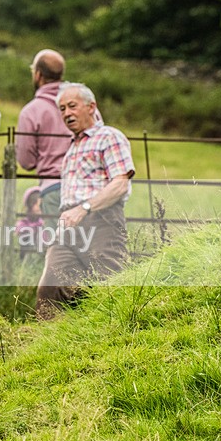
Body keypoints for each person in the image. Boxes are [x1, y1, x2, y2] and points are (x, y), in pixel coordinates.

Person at [36, 82, 135, 320]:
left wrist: (85, 208)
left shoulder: (109, 137)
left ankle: (119, 335)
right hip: (69, 223)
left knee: (109, 285)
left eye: (72, 106)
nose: (67, 113)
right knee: (51, 287)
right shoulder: (73, 146)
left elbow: (120, 183)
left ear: (91, 107)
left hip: (101, 219)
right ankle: (48, 344)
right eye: (62, 109)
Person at [16, 49, 102, 219]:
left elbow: (26, 162)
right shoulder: (86, 106)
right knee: (90, 242)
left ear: (38, 75)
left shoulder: (31, 111)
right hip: (91, 187)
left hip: (54, 188)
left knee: (59, 243)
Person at [15, 186, 45, 260]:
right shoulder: (24, 221)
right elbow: (19, 229)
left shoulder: (44, 220)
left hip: (42, 251)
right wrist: (34, 228)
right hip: (28, 252)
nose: (39, 208)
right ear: (30, 205)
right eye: (36, 204)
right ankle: (27, 261)